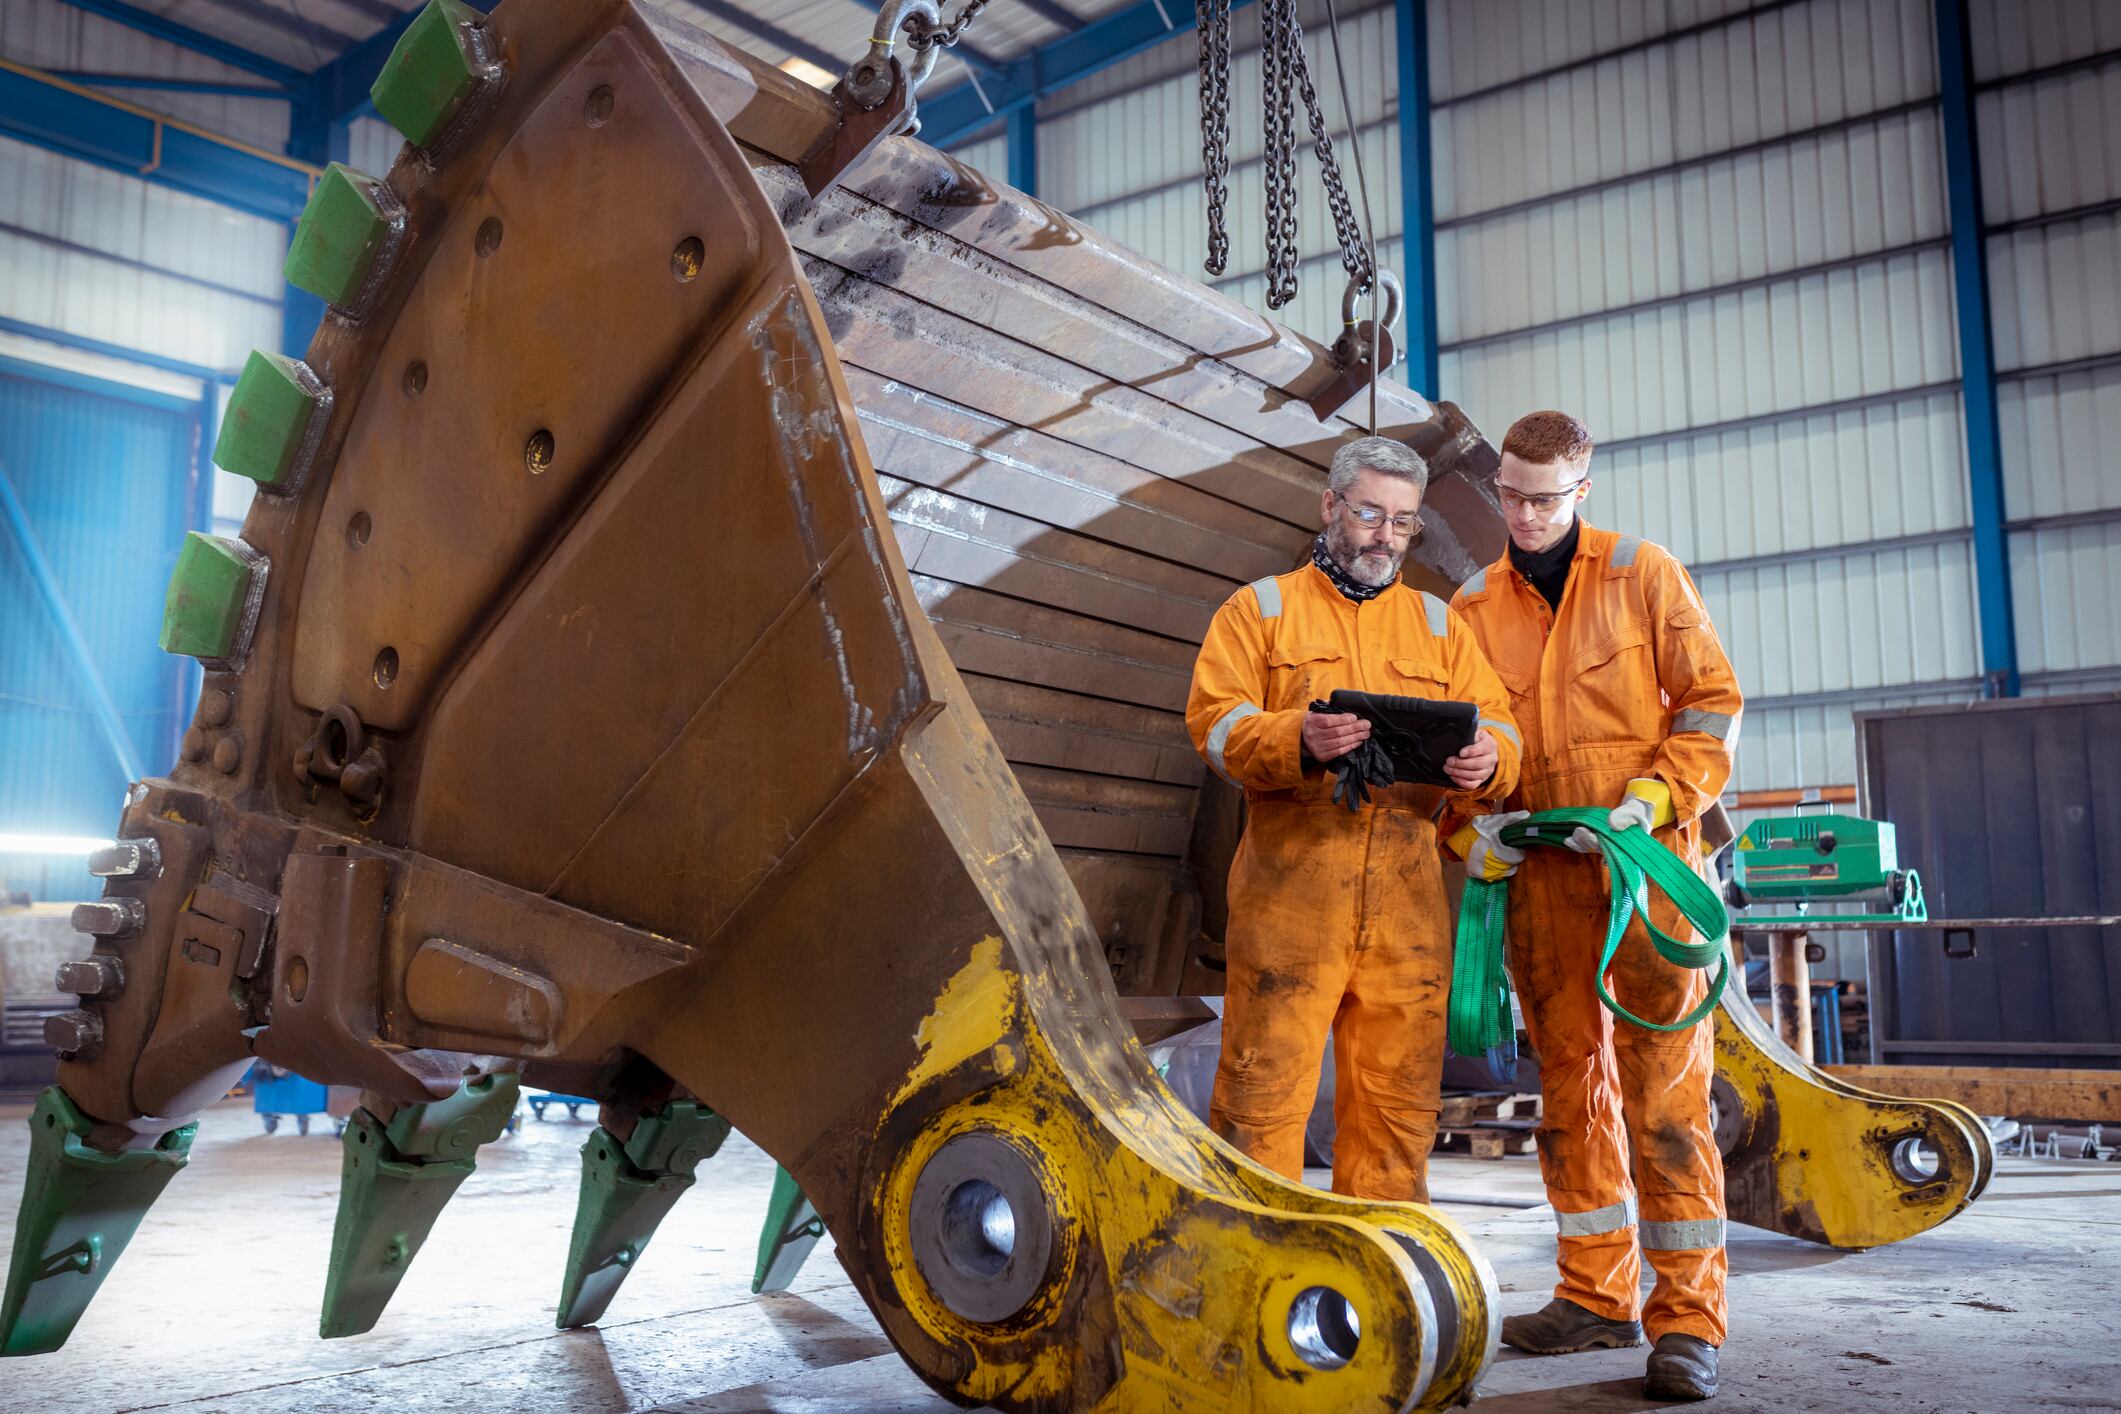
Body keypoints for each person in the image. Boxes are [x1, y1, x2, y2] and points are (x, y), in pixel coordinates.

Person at [1445, 411, 1743, 1402]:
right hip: (1539, 883)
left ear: (1584, 491)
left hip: (1642, 872)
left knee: (1666, 1102)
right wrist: (1473, 826)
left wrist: (1647, 804)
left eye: (1546, 498)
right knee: (1569, 1097)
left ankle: (1689, 1320)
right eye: (1511, 496)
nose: (1525, 516)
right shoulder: (1470, 606)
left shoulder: (1644, 575)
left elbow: (1709, 708)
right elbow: (1462, 752)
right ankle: (1593, 1293)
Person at [1186, 435, 1520, 1202]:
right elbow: (1212, 722)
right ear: (1331, 506)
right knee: (1260, 1099)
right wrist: (1294, 736)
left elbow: (1498, 725)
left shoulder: (1438, 625)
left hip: (1406, 905)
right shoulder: (1259, 610)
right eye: (1370, 513)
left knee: (1396, 1108)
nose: (1385, 535)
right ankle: (1254, 1268)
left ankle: (1382, 1275)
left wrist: (1487, 763)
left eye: (1403, 522)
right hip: (1289, 899)